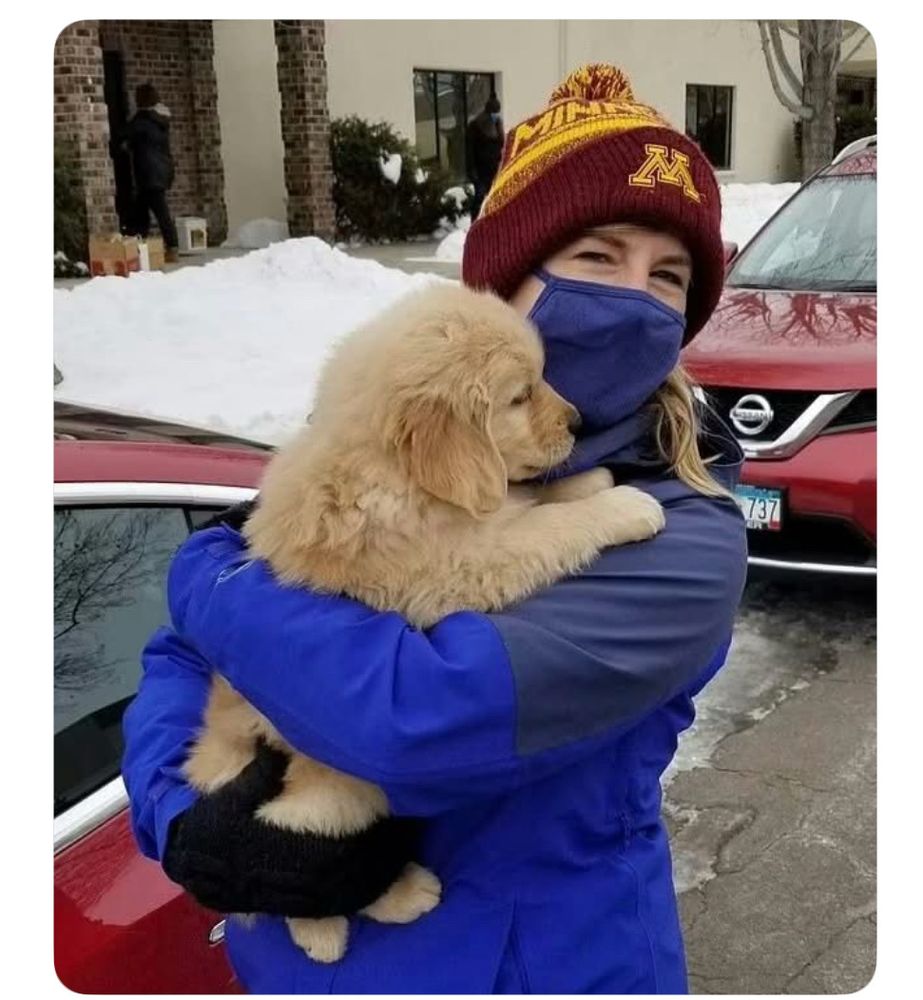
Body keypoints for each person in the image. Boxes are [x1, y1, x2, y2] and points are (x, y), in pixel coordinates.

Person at [122, 64, 747, 994]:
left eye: (668, 275)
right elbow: (180, 662)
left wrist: (209, 573)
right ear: (501, 290)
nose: (633, 296)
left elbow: (411, 718)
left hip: (540, 971)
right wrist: (180, 815)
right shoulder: (393, 438)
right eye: (594, 256)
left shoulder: (684, 534)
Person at [122, 82, 179, 262]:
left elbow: (125, 135)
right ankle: (142, 246)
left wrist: (125, 144)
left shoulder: (142, 120)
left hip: (147, 173)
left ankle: (169, 247)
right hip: (162, 170)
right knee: (144, 211)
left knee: (155, 212)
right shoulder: (161, 119)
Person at [466, 93, 504, 219]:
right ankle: (475, 222)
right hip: (480, 170)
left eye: (497, 112)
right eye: (494, 112)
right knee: (480, 197)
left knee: (493, 198)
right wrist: (472, 170)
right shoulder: (475, 126)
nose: (496, 115)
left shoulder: (498, 124)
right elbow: (470, 150)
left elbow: (501, 145)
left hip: (494, 168)